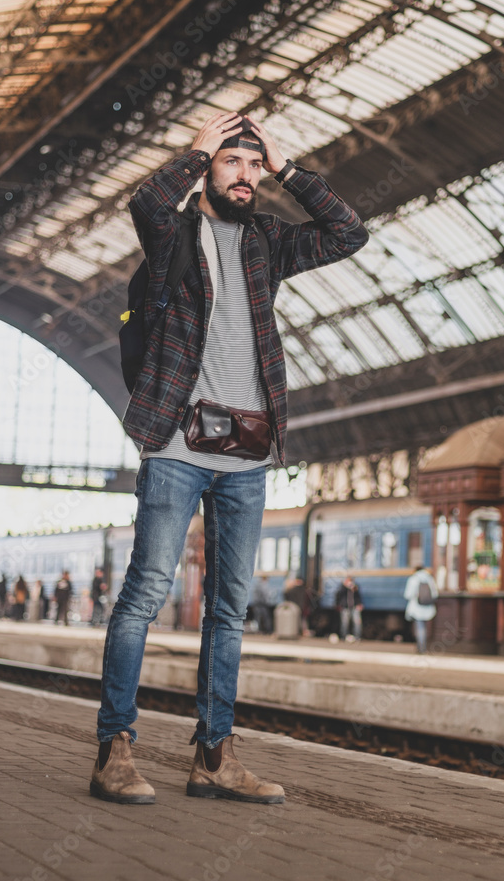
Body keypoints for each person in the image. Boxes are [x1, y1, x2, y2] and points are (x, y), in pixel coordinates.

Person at [90, 110, 368, 806]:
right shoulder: (173, 233)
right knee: (145, 596)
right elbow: (145, 201)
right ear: (209, 169)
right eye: (232, 162)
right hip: (178, 446)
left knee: (228, 609)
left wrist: (288, 169)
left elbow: (348, 233)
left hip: (247, 454)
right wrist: (194, 153)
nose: (245, 175)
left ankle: (214, 757)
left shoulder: (269, 241)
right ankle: (115, 751)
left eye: (253, 165)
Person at [404, 565, 438, 654]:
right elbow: (435, 594)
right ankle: (424, 647)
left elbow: (408, 594)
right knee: (425, 628)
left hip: (417, 607)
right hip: (428, 607)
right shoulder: (430, 579)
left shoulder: (413, 579)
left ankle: (421, 648)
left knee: (420, 627)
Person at [335, 575, 363, 641]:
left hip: (354, 607)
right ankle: (343, 636)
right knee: (344, 623)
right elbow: (339, 595)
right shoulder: (342, 588)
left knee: (357, 623)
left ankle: (357, 637)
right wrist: (345, 586)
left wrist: (359, 604)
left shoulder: (355, 588)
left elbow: (358, 596)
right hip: (345, 607)